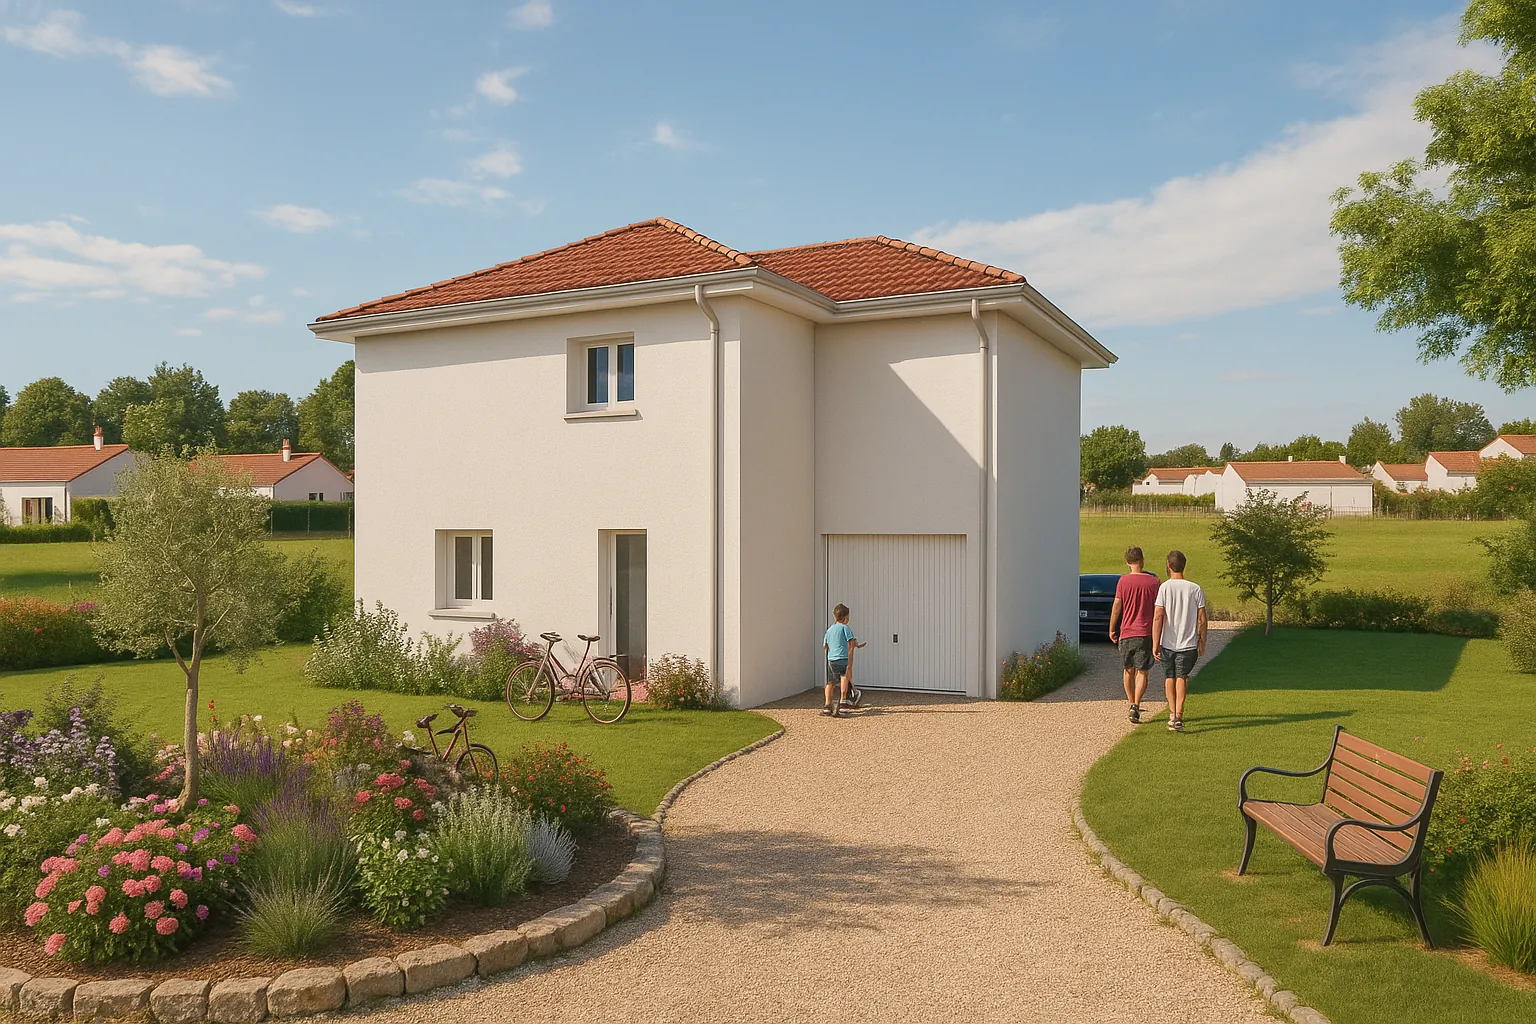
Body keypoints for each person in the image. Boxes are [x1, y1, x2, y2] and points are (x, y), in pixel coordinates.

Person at [1151, 549, 1207, 733]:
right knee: (1182, 677)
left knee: (1170, 677)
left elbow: (1158, 616)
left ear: (1168, 566)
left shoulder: (1164, 588)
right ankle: (1179, 716)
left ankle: (1172, 713)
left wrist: (1155, 642)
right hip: (1189, 643)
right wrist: (1202, 641)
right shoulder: (1195, 588)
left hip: (1168, 642)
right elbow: (1202, 618)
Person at [1108, 546, 1159, 724]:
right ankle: (1137, 703)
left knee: (1128, 669)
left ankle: (1130, 702)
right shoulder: (1153, 582)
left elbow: (1117, 606)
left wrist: (1112, 627)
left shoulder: (1123, 582)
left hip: (1127, 631)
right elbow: (1159, 610)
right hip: (1145, 632)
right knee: (1142, 671)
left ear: (1127, 563)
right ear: (1142, 560)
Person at [822, 604, 865, 717]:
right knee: (844, 678)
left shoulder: (829, 630)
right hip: (842, 658)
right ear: (846, 617)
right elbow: (851, 641)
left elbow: (825, 646)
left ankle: (827, 706)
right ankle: (843, 701)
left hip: (831, 659)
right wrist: (855, 648)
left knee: (830, 682)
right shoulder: (845, 628)